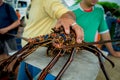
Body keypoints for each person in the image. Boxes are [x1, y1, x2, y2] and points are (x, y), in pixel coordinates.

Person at [19, 0, 120, 80]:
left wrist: (112, 52)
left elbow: (104, 31)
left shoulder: (100, 10)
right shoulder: (72, 9)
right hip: (60, 51)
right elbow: (67, 14)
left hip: (83, 51)